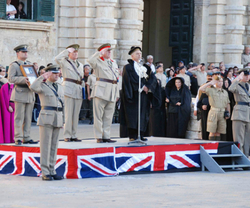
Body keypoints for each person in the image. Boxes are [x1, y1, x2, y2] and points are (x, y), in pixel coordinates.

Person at [30, 65, 64, 181]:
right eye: (54, 73)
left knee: (54, 146)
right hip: (47, 117)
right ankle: (45, 172)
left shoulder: (60, 86)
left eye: (58, 73)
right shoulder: (43, 85)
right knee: (45, 146)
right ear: (48, 74)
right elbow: (33, 87)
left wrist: (63, 120)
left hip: (58, 117)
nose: (57, 75)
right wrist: (41, 77)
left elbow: (62, 103)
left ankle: (52, 170)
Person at [120, 46, 161, 141]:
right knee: (133, 115)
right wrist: (140, 87)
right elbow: (128, 81)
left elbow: (152, 78)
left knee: (143, 114)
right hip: (133, 95)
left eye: (140, 53)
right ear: (132, 55)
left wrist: (148, 86)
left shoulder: (145, 67)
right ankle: (133, 135)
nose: (139, 55)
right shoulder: (128, 67)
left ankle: (141, 133)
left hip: (144, 95)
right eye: (137, 54)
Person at [87, 43, 119, 143]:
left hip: (112, 91)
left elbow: (116, 79)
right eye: (107, 50)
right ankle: (99, 136)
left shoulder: (113, 63)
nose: (109, 52)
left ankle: (106, 136)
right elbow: (90, 61)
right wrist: (98, 53)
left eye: (110, 51)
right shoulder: (98, 61)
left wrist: (117, 93)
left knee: (108, 116)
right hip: (101, 91)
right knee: (98, 116)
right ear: (102, 52)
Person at [8, 44, 37, 145]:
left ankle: (27, 136)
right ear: (17, 53)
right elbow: (10, 78)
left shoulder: (29, 64)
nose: (25, 53)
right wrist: (23, 79)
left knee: (28, 117)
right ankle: (18, 137)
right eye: (23, 52)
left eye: (26, 52)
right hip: (20, 92)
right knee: (19, 117)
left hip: (29, 93)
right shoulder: (14, 65)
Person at [55, 44, 83, 142]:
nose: (75, 54)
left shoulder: (80, 65)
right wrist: (66, 51)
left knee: (75, 114)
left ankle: (74, 134)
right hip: (68, 88)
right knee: (68, 113)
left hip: (78, 89)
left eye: (76, 52)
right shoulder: (64, 62)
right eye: (73, 52)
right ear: (69, 53)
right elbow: (56, 58)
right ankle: (67, 135)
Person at [199, 75, 230, 141]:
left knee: (219, 132)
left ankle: (217, 147)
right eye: (218, 81)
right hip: (214, 112)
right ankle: (211, 147)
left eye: (221, 81)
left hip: (222, 113)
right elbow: (201, 89)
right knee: (212, 131)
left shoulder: (225, 92)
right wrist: (210, 83)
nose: (220, 83)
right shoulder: (211, 90)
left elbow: (227, 104)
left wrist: (228, 113)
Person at [229, 69, 250, 156]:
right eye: (245, 75)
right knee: (238, 139)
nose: (247, 77)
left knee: (247, 140)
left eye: (248, 75)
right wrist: (238, 78)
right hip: (239, 113)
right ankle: (238, 159)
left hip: (248, 114)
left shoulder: (248, 86)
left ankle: (245, 159)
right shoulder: (237, 85)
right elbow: (230, 89)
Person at [196, 73, 213, 140]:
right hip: (204, 113)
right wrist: (202, 106)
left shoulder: (214, 93)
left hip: (212, 112)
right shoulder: (203, 94)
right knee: (204, 127)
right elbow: (198, 103)